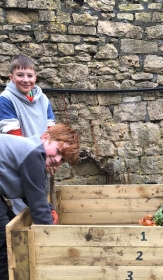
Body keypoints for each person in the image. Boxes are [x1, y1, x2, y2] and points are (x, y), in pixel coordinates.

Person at [0, 123, 80, 280]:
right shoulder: (34, 153)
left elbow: (32, 192)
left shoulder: (32, 151)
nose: (57, 159)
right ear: (45, 137)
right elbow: (37, 207)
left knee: (10, 227)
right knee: (5, 240)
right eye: (57, 151)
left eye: (62, 159)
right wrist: (51, 240)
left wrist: (49, 208)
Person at [0, 54, 56, 214]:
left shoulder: (43, 98)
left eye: (30, 75)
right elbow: (13, 134)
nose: (26, 80)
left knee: (40, 196)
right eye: (20, 75)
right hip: (21, 161)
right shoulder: (6, 99)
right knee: (24, 205)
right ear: (11, 77)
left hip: (42, 156)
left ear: (35, 77)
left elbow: (51, 129)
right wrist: (34, 158)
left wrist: (50, 158)